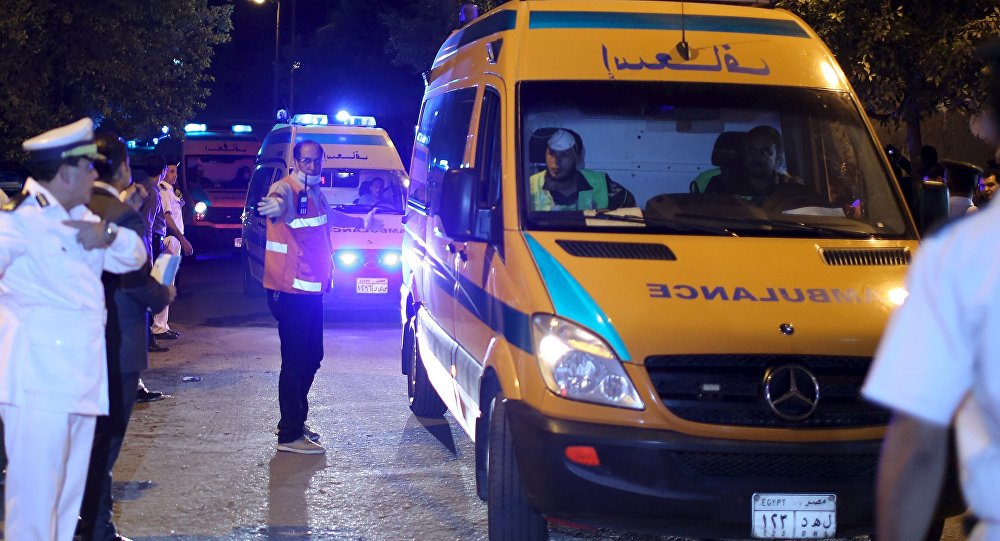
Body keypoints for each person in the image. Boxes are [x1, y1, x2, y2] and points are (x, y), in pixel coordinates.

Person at [0, 118, 146, 541]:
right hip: (38, 388)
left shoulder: (84, 218)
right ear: (65, 172)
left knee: (66, 505)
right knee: (34, 509)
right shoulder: (19, 222)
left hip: (82, 384)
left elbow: (135, 257)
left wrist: (108, 234)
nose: (94, 175)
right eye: (87, 167)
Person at [78, 133, 176, 541]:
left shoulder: (74, 207)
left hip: (78, 340)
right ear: (122, 168)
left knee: (86, 438)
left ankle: (85, 521)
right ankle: (96, 527)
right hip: (116, 340)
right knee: (105, 441)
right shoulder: (121, 216)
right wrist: (163, 291)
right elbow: (137, 282)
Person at [256, 140, 378, 454]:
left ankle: (296, 421)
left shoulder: (314, 193)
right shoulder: (286, 189)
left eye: (317, 161)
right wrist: (275, 208)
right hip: (289, 291)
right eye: (306, 161)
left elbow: (329, 218)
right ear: (296, 162)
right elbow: (278, 204)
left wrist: (361, 222)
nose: (312, 166)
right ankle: (289, 435)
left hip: (311, 291)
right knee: (295, 361)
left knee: (312, 357)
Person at [529, 128, 633, 211]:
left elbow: (630, 212)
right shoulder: (529, 187)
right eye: (551, 153)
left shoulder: (602, 184)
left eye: (564, 155)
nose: (556, 162)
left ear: (578, 158)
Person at [704, 124, 798, 205]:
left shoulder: (789, 189)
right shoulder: (719, 185)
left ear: (777, 157)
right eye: (751, 150)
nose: (756, 156)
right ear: (744, 153)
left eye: (765, 151)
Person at [151, 161, 192, 341]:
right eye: (171, 171)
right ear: (163, 173)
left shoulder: (171, 190)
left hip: (173, 240)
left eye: (176, 171)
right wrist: (183, 240)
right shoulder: (164, 190)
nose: (174, 175)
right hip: (171, 239)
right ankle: (158, 327)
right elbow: (167, 218)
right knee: (164, 283)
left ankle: (162, 325)